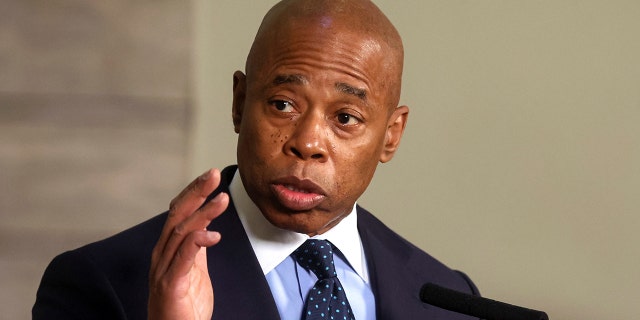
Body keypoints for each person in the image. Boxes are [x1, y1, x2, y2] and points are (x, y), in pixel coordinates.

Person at [33, 0, 480, 319]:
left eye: (346, 117)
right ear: (239, 102)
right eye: (283, 104)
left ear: (391, 135)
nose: (308, 143)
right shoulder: (99, 283)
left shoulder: (452, 300)